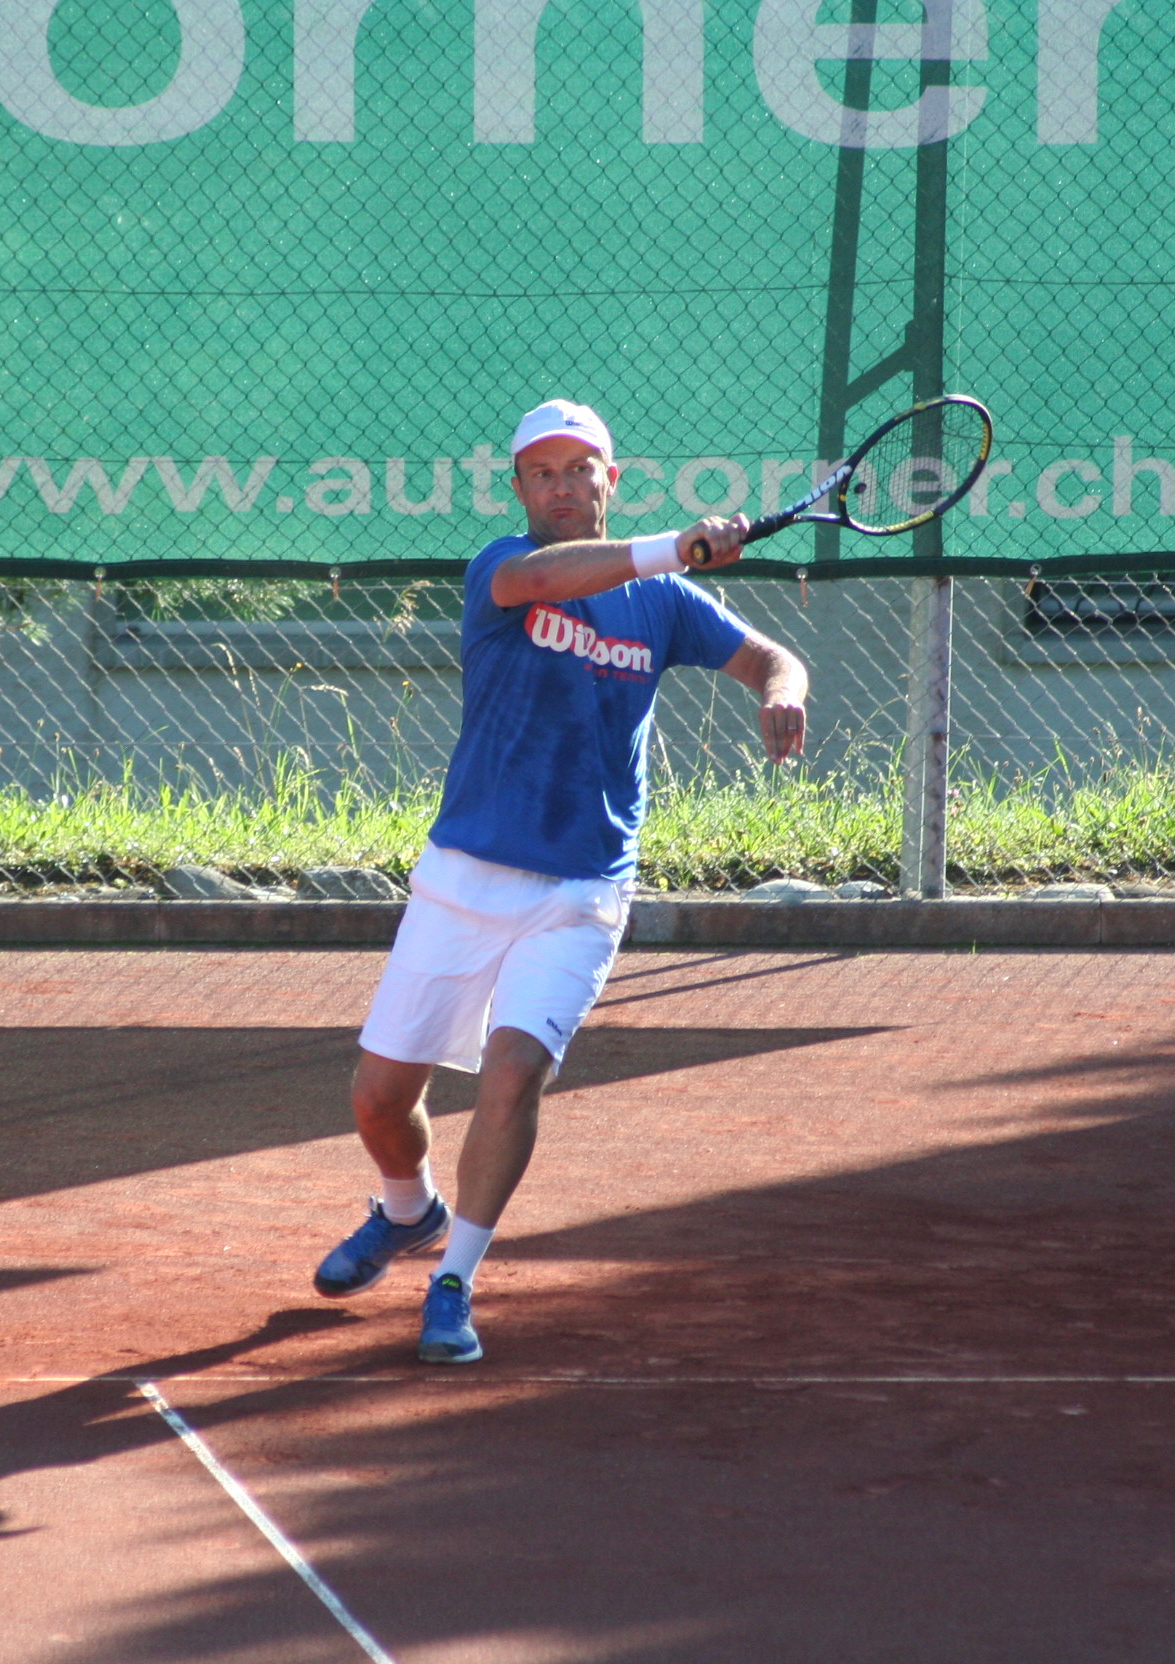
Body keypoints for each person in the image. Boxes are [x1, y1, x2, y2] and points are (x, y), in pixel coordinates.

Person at [310, 399, 810, 1363]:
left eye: (580, 469)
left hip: (581, 891)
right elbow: (546, 577)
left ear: (609, 480)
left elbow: (770, 659)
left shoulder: (664, 602)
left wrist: (783, 691)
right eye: (543, 473)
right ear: (519, 489)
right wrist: (673, 548)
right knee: (378, 1098)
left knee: (513, 1076)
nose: (563, 486)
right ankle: (409, 1212)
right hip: (464, 875)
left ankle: (453, 1280)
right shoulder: (502, 568)